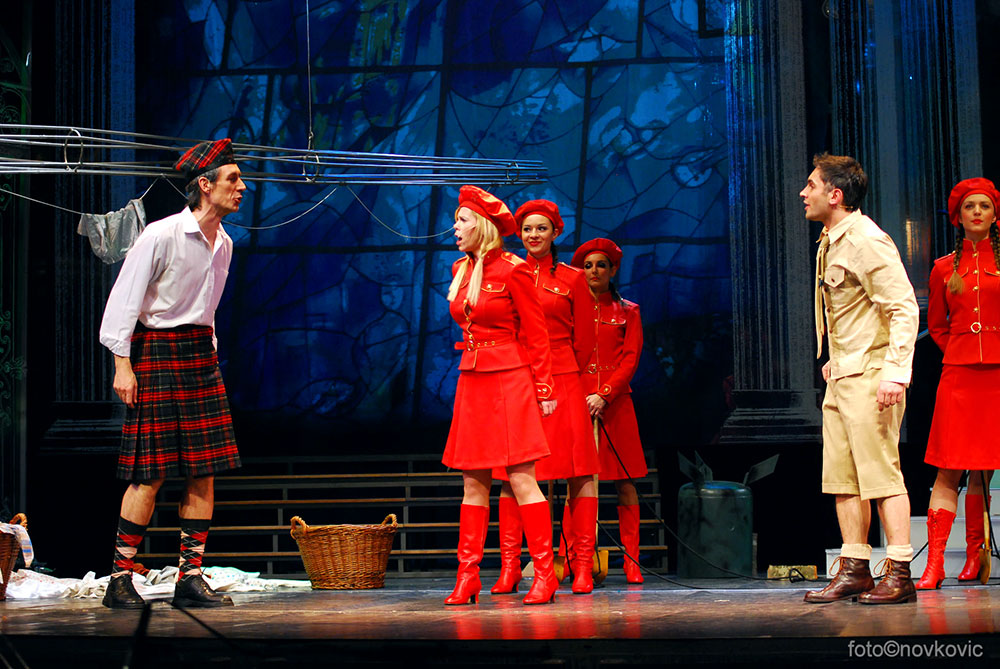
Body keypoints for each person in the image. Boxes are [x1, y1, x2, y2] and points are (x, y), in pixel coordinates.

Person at [98, 138, 246, 609]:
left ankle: (190, 576)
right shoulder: (161, 235)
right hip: (157, 351)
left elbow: (209, 309)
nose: (242, 187)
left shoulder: (224, 243)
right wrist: (123, 363)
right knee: (150, 472)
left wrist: (210, 354)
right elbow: (124, 299)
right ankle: (120, 578)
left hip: (198, 356)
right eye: (233, 179)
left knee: (205, 472)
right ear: (205, 185)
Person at [800, 153, 920, 605]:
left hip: (872, 376)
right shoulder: (831, 240)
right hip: (844, 375)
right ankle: (855, 569)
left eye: (812, 185)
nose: (804, 193)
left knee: (881, 476)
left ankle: (900, 572)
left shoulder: (867, 239)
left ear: (835, 195)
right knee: (843, 479)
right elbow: (849, 310)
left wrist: (895, 373)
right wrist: (834, 357)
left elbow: (902, 307)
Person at [441, 185, 559, 606]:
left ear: (482, 225)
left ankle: (545, 574)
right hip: (473, 377)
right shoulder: (460, 268)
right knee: (472, 480)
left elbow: (537, 334)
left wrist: (544, 388)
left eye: (462, 220)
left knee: (522, 477)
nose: (455, 227)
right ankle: (468, 575)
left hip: (510, 378)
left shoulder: (514, 270)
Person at [490, 200, 600, 596]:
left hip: (564, 377)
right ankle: (509, 567)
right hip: (518, 378)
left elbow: (585, 338)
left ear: (555, 232)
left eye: (541, 228)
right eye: (527, 229)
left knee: (578, 471)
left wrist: (564, 371)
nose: (533, 235)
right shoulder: (508, 272)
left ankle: (582, 565)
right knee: (511, 473)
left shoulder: (573, 278)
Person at [915, 177, 1000, 589]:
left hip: (998, 374)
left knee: (984, 469)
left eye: (984, 206)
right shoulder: (943, 268)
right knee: (948, 468)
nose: (977, 212)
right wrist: (962, 350)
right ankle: (934, 565)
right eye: (970, 206)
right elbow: (936, 326)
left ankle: (974, 555)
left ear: (995, 214)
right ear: (958, 216)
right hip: (959, 376)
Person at [570, 238, 648, 584]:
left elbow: (630, 358)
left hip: (617, 405)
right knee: (578, 482)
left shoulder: (629, 310)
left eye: (601, 265)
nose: (594, 271)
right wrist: (580, 396)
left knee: (626, 482)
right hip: (578, 403)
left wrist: (605, 394)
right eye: (587, 265)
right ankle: (577, 559)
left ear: (612, 269)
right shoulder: (571, 310)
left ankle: (632, 560)